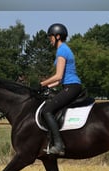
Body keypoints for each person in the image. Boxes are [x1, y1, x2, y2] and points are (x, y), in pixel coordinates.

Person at [40, 23, 82, 156]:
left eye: (51, 37)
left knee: (47, 111)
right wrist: (47, 86)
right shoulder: (64, 49)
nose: (50, 40)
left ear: (58, 36)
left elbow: (57, 76)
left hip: (72, 87)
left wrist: (41, 84)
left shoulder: (62, 50)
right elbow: (59, 80)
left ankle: (58, 145)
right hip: (69, 86)